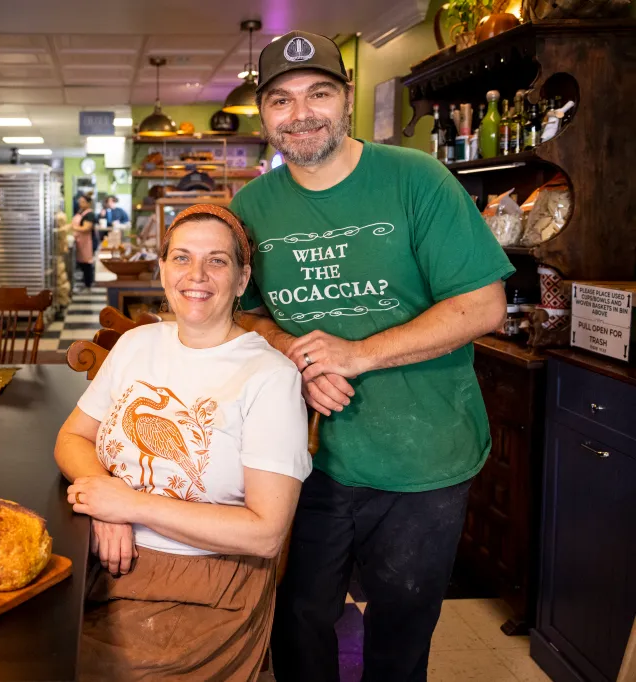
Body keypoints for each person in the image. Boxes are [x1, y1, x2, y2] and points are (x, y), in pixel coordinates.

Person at [230, 31, 515, 682]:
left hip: (424, 460)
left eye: (318, 93)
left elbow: (482, 305)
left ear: (347, 98)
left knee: (400, 631)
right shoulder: (251, 209)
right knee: (299, 621)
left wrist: (359, 354)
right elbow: (242, 310)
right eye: (281, 100)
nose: (300, 113)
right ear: (264, 114)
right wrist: (293, 356)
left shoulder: (417, 179)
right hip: (303, 458)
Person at [55, 204, 312, 682]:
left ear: (242, 279)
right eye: (182, 258)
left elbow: (266, 533)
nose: (196, 274)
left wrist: (130, 506)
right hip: (97, 557)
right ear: (162, 269)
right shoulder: (137, 344)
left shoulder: (269, 377)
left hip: (205, 585)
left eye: (217, 260)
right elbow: (72, 436)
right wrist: (104, 500)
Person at [72, 194, 98, 290]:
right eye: (80, 202)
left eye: (83, 202)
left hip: (88, 242)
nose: (80, 204)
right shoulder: (81, 212)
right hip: (81, 242)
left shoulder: (89, 214)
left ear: (88, 203)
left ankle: (88, 284)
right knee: (83, 264)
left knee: (87, 264)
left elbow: (86, 228)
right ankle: (86, 282)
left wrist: (73, 227)